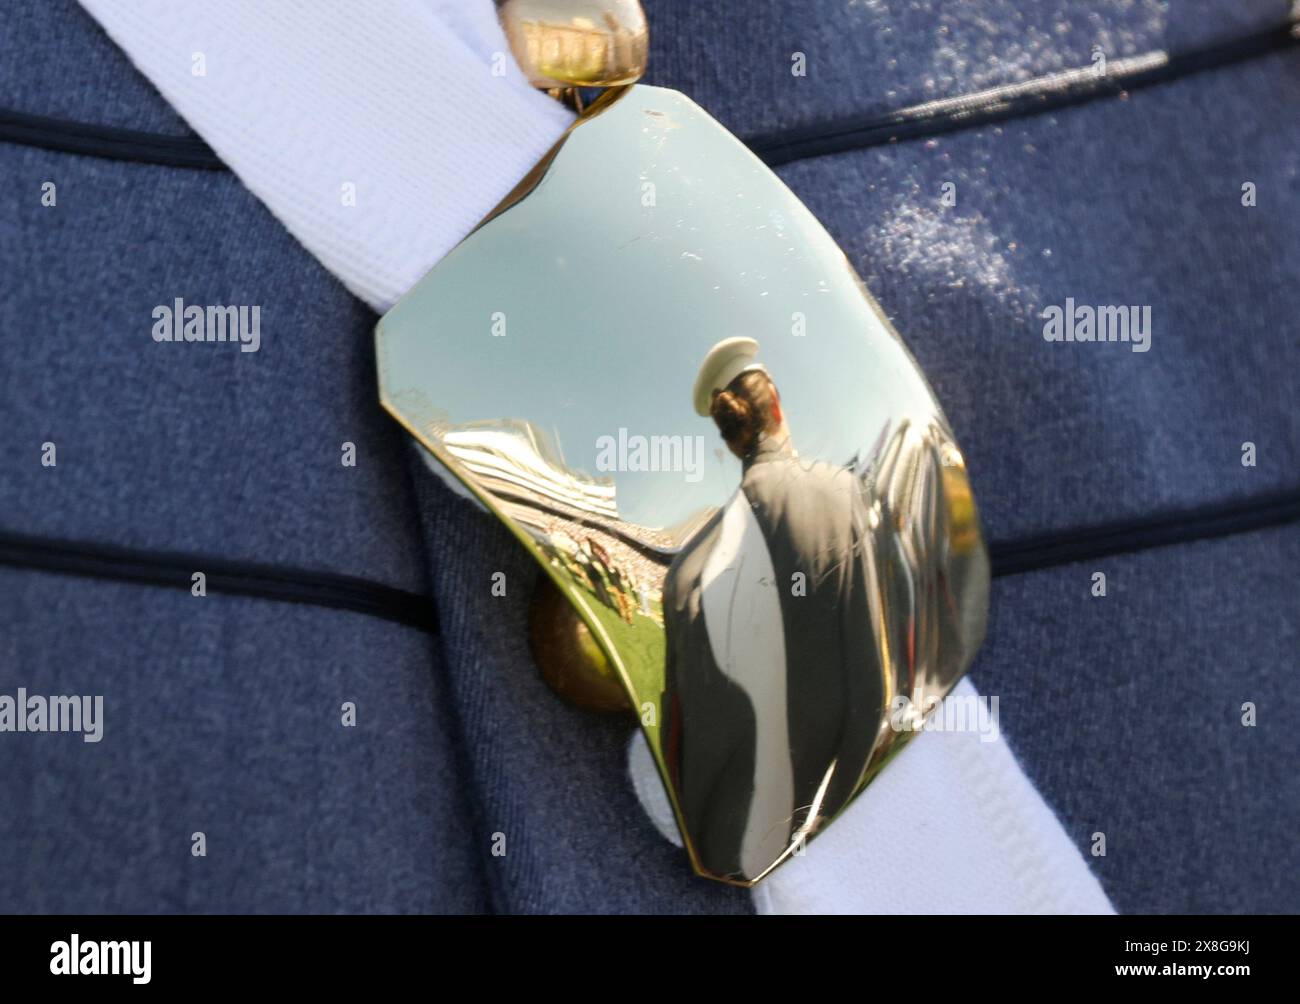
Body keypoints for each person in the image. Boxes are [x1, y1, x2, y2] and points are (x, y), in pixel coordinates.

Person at [661, 338, 888, 882]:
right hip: (811, 849)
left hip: (706, 850)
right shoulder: (842, 495)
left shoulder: (685, 569)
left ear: (730, 439)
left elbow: (674, 736)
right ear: (778, 406)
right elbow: (871, 695)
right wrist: (828, 823)